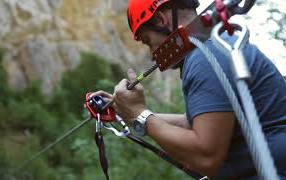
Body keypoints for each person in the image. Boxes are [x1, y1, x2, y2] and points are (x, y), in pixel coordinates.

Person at [92, 0, 286, 179]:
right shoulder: (212, 46)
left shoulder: (206, 57)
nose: (152, 54)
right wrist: (126, 112)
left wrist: (139, 116)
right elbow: (191, 122)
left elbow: (206, 157)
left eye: (148, 41)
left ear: (161, 20)